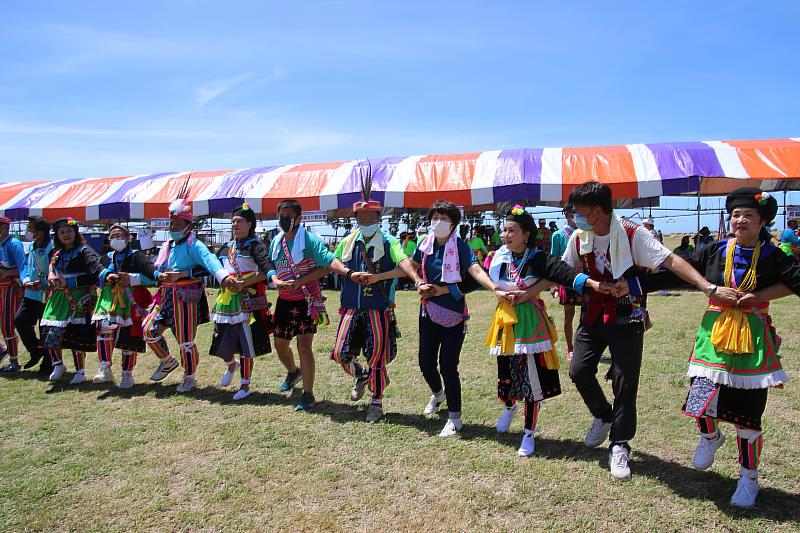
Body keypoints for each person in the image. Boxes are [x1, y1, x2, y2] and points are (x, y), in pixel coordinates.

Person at [648, 188, 800, 508]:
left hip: (752, 340)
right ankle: (710, 436)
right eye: (735, 215)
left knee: (748, 414)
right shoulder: (714, 251)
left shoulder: (773, 257)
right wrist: (633, 282)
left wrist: (760, 296)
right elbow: (674, 272)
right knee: (699, 399)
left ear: (762, 223)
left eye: (748, 215)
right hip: (714, 336)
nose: (740, 220)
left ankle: (748, 477)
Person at [562, 181, 721, 480]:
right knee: (578, 370)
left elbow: (670, 260)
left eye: (578, 211)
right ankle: (602, 415)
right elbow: (564, 269)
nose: (573, 217)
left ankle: (620, 444)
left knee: (624, 381)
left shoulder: (634, 234)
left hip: (627, 315)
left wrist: (705, 286)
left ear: (597, 211)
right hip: (593, 314)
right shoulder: (579, 238)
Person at [486, 205, 605, 456]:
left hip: (529, 319)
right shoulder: (498, 256)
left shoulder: (537, 258)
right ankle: (509, 407)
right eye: (504, 231)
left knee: (530, 378)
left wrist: (530, 292)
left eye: (512, 231)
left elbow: (557, 274)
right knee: (505, 372)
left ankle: (529, 433)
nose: (506, 235)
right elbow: (478, 274)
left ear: (526, 234)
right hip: (504, 319)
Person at [409, 200, 508, 437]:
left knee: (448, 365)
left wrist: (494, 288)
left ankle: (455, 419)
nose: (438, 222)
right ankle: (438, 394)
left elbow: (474, 271)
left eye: (444, 218)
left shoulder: (461, 247)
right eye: (435, 217)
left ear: (454, 224)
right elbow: (411, 265)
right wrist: (417, 281)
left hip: (454, 314)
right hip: (428, 311)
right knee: (425, 362)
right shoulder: (425, 243)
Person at [329, 176, 423, 423]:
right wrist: (350, 273)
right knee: (340, 353)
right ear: (356, 219)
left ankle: (377, 403)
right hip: (350, 307)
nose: (366, 222)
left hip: (378, 309)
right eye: (362, 219)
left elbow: (404, 263)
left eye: (371, 219)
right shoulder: (348, 242)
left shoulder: (390, 242)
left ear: (378, 219)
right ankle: (360, 374)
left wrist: (383, 276)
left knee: (377, 357)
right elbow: (333, 261)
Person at [143, 195, 230, 393]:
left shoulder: (194, 245)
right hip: (165, 296)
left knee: (185, 340)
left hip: (185, 298)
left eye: (177, 224)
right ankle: (167, 360)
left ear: (188, 225)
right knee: (148, 329)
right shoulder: (167, 247)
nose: (172, 227)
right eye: (171, 224)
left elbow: (210, 263)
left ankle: (189, 376)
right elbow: (156, 269)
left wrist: (221, 277)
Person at [268, 199, 337, 411]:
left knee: (303, 346)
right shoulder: (276, 241)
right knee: (280, 344)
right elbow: (271, 266)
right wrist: (276, 280)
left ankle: (308, 394)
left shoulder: (309, 241)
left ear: (299, 218)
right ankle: (293, 372)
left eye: (288, 216)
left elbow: (327, 266)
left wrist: (301, 281)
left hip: (307, 300)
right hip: (284, 301)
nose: (284, 219)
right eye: (281, 215)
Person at [210, 202, 274, 401]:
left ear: (250, 224)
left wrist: (243, 282)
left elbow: (265, 270)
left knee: (246, 343)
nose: (235, 225)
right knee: (220, 337)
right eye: (233, 222)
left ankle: (245, 385)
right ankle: (230, 364)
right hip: (227, 300)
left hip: (247, 300)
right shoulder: (228, 246)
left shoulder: (255, 246)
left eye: (239, 221)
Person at [91, 224, 157, 389]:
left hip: (131, 301)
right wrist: (106, 277)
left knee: (129, 337)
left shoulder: (137, 257)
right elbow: (95, 275)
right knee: (103, 330)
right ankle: (104, 367)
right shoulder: (105, 258)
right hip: (108, 301)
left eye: (120, 236)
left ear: (128, 238)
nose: (116, 239)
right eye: (113, 236)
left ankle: (127, 374)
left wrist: (132, 278)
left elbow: (153, 277)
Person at [40, 218, 102, 384]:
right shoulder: (56, 253)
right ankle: (58, 364)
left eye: (69, 231)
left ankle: (80, 371)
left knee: (76, 334)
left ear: (76, 232)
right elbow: (51, 269)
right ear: (57, 236)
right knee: (49, 330)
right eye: (62, 232)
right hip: (58, 298)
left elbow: (93, 274)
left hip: (78, 297)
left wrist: (69, 283)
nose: (66, 235)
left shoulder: (85, 251)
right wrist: (51, 276)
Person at [16, 217, 53, 376]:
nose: (28, 232)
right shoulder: (31, 245)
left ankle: (49, 363)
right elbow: (26, 265)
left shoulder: (52, 247)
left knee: (45, 329)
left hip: (46, 294)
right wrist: (25, 280)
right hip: (30, 293)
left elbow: (56, 270)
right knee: (20, 321)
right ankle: (37, 351)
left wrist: (42, 283)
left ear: (41, 231)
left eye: (31, 229)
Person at [549, 204, 582, 361]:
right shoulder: (558, 235)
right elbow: (553, 259)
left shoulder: (585, 233)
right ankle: (570, 348)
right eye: (574, 212)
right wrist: (553, 284)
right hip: (567, 281)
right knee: (569, 316)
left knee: (587, 316)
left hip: (584, 280)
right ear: (567, 214)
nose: (577, 215)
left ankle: (583, 346)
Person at [0, 216, 27, 374]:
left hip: (10, 287)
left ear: (4, 227)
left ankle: (14, 362)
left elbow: (24, 268)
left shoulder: (14, 244)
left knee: (7, 326)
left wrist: (6, 272)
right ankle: (3, 350)